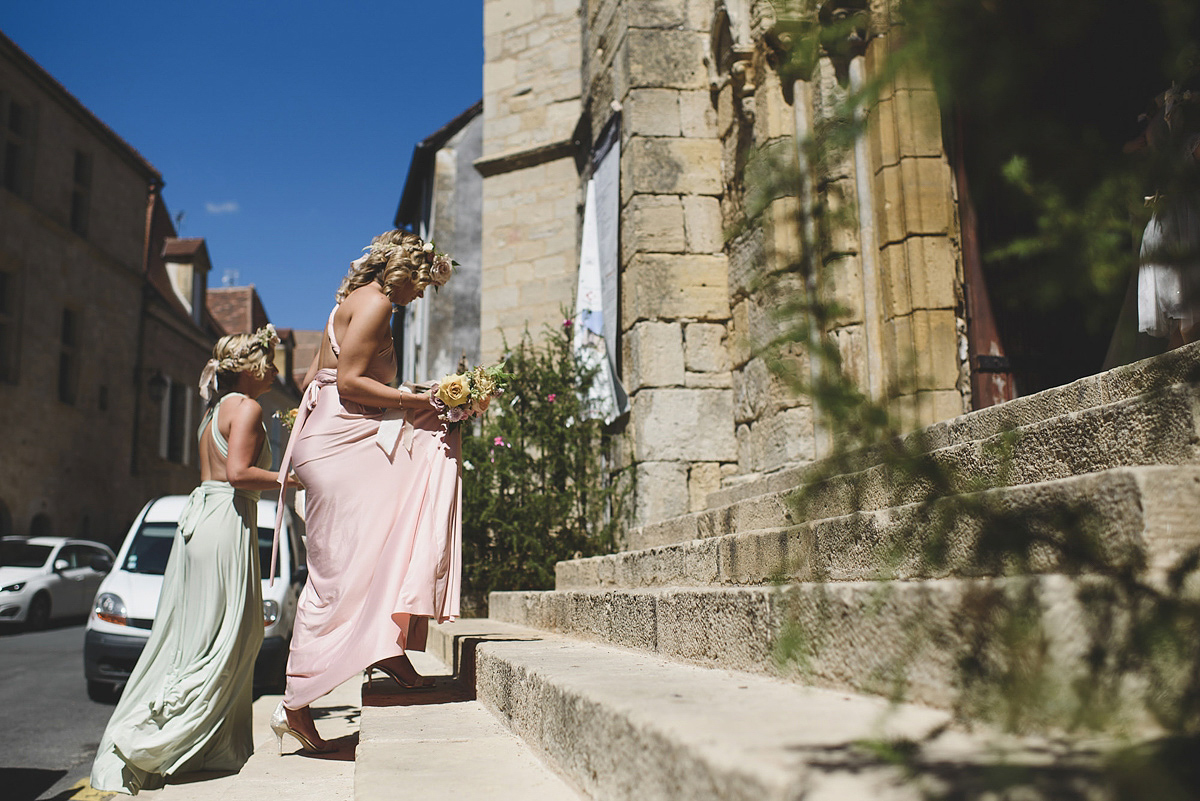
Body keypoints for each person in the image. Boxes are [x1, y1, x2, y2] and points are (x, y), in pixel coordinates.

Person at [269, 230, 460, 752]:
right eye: (422, 284)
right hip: (337, 448)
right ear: (403, 274)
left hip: (339, 440)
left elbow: (314, 378)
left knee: (386, 541)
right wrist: (415, 401)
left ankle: (386, 649)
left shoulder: (351, 304)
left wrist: (426, 398)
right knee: (340, 575)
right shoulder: (376, 303)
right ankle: (296, 704)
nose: (421, 296)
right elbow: (349, 382)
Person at [92, 326, 289, 794]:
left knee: (199, 637)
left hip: (201, 516)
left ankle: (200, 745)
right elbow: (240, 474)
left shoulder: (212, 410)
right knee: (225, 640)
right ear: (252, 367)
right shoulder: (246, 407)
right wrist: (290, 477)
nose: (276, 370)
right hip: (225, 520)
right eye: (270, 360)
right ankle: (149, 740)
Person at [1133, 83, 1200, 348]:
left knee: (1178, 311)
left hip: (1160, 225)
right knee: (1187, 308)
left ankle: (1179, 379)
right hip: (1181, 223)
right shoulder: (1188, 145)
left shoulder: (1159, 154)